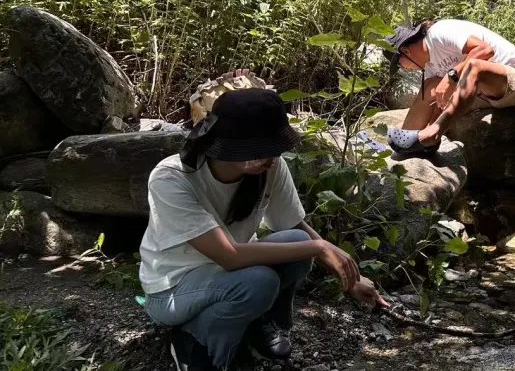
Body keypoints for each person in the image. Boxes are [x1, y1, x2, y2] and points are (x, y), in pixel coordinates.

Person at [139, 88, 388, 371]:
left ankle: (263, 322)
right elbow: (229, 256)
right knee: (259, 281)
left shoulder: (269, 167)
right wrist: (320, 247)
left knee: (296, 241)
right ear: (227, 144)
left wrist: (351, 277)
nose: (273, 155)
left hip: (229, 276)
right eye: (260, 147)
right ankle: (194, 343)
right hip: (173, 287)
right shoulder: (172, 178)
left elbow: (294, 225)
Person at [385, 19, 515, 154]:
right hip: (478, 96)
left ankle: (435, 132)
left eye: (399, 64)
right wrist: (430, 122)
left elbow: (485, 50)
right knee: (429, 86)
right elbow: (437, 103)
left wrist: (451, 76)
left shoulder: (439, 32)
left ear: (405, 51)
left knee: (474, 66)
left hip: (510, 82)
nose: (404, 68)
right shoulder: (429, 68)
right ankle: (407, 143)